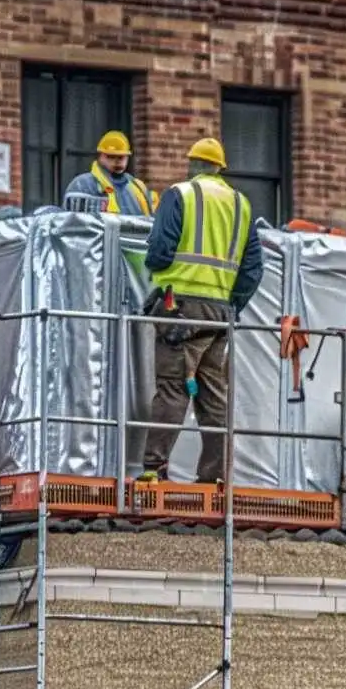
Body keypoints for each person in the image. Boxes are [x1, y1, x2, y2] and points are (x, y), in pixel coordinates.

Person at [137, 137, 262, 484]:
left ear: (192, 164)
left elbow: (160, 250)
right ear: (220, 168)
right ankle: (215, 476)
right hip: (219, 313)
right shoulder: (241, 205)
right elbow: (253, 269)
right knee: (212, 392)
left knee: (173, 388)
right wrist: (230, 303)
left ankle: (154, 468)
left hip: (178, 306)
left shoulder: (180, 195)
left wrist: (155, 271)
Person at [64, 131, 158, 216]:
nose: (117, 162)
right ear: (100, 156)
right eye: (111, 157)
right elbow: (72, 225)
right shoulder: (83, 185)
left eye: (121, 157)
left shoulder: (138, 188)